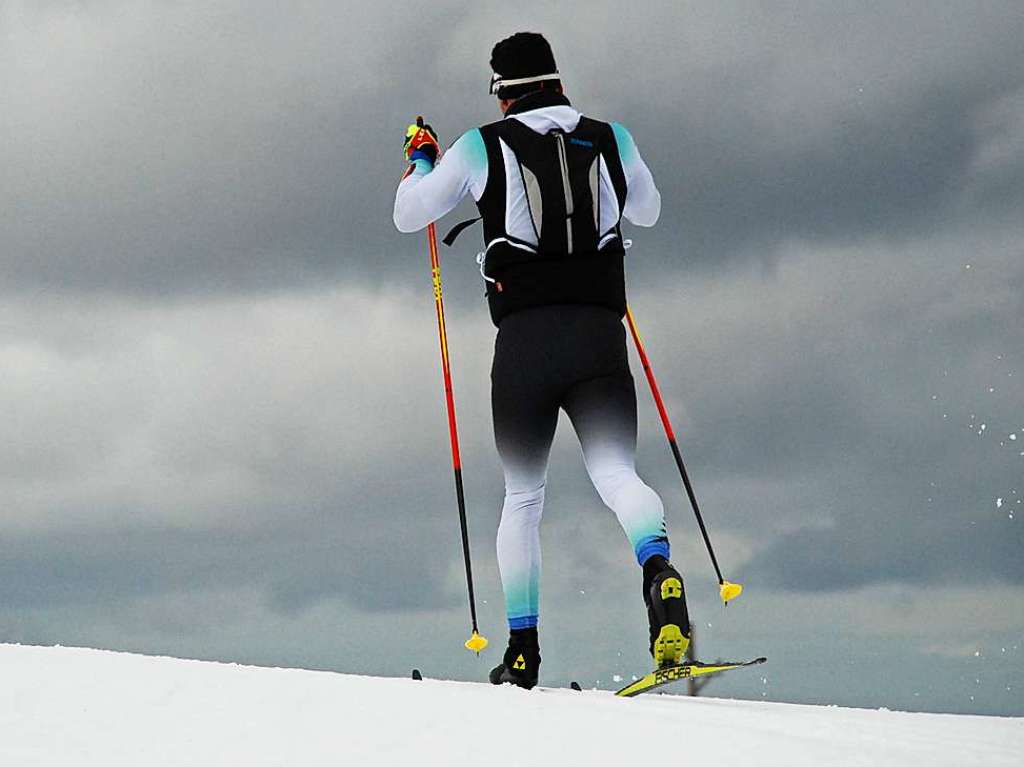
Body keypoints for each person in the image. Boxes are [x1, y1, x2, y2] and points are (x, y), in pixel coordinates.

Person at [393, 32, 690, 690]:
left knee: (524, 496)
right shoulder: (614, 137)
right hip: (599, 332)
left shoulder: (481, 145)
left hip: (525, 340)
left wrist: (421, 161)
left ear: (503, 91)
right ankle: (658, 569)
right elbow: (649, 208)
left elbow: (409, 216)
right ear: (556, 80)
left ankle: (522, 652)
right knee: (617, 474)